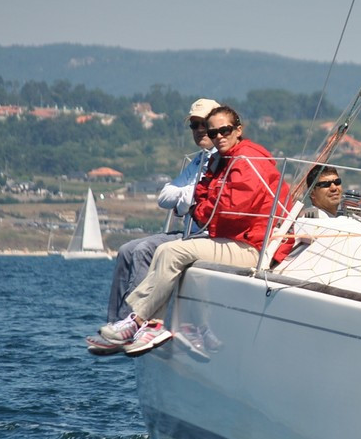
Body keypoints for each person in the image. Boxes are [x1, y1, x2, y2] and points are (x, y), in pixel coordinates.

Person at [96, 104, 292, 356]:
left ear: (238, 130)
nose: (218, 136)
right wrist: (203, 205)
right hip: (234, 240)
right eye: (213, 133)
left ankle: (139, 321)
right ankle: (150, 324)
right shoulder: (224, 160)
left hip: (252, 246)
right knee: (164, 251)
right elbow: (205, 196)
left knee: (172, 252)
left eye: (225, 130)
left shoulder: (247, 160)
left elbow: (230, 210)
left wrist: (199, 209)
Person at [85, 99, 218, 355]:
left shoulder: (222, 159)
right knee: (126, 250)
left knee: (144, 249)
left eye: (205, 124)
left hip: (202, 234)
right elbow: (165, 197)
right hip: (188, 231)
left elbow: (190, 199)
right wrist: (185, 199)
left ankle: (133, 326)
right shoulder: (198, 161)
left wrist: (184, 199)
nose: (200, 130)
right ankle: (118, 324)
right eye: (194, 125)